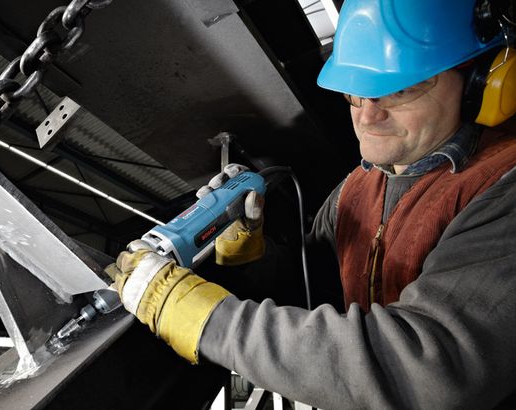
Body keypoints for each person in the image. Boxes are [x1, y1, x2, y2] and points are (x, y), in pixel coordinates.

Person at [106, 0, 516, 408]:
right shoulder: (358, 186)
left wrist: (206, 320)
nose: (367, 118)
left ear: (479, 82)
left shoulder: (503, 187)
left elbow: (431, 373)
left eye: (400, 90)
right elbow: (311, 290)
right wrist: (251, 253)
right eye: (356, 92)